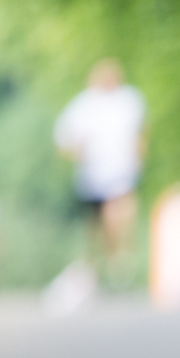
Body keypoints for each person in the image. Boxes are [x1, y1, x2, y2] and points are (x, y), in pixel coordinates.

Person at [53, 59, 146, 278]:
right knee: (95, 224)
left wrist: (138, 157)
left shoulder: (128, 100)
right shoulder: (84, 105)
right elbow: (63, 139)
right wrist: (78, 154)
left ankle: (120, 256)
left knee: (118, 209)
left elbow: (140, 131)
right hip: (93, 175)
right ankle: (99, 261)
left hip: (120, 169)